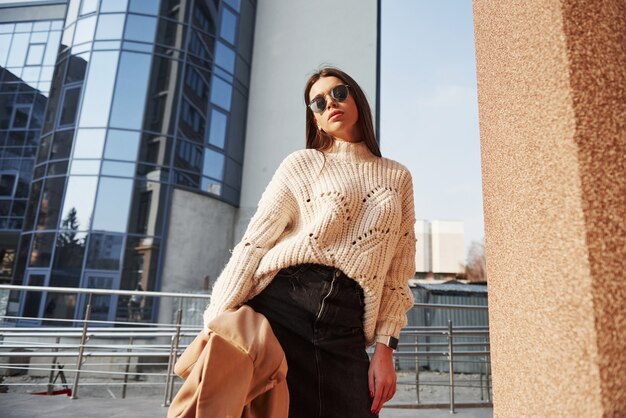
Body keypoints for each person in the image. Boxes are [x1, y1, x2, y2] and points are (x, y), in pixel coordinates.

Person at [203, 67, 416, 417]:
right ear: (315, 121)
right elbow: (254, 244)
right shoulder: (302, 164)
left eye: (339, 93)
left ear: (356, 98)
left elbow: (398, 273)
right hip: (282, 311)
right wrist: (216, 321)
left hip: (347, 328)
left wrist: (385, 349)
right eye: (318, 103)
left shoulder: (398, 176)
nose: (330, 103)